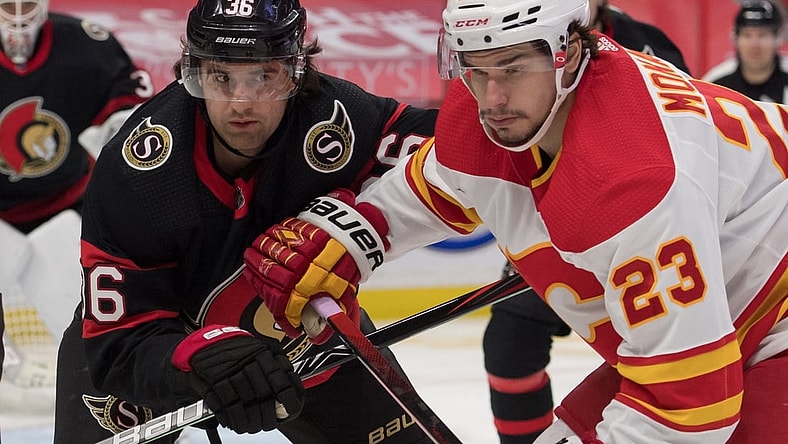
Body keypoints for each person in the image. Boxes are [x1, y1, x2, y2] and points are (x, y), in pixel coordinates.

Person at [245, 0, 788, 442]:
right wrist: (350, 234)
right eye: (475, 70)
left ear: (569, 53)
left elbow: (688, 413)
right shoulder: (483, 107)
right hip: (722, 315)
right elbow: (432, 188)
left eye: (512, 68)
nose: (492, 99)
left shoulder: (633, 176)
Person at [54, 0, 439, 442]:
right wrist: (199, 354)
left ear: (297, 72)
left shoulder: (339, 119)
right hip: (160, 348)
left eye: (264, 76)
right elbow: (118, 343)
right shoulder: (137, 170)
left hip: (306, 334)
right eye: (221, 76)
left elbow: (465, 154)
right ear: (191, 72)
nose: (241, 101)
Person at [484, 1, 691, 442]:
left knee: (671, 365)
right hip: (553, 228)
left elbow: (688, 149)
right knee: (509, 336)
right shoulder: (521, 38)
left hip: (644, 234)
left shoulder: (651, 47)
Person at [0, 0, 152, 402]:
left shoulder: (86, 44)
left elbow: (133, 109)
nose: (17, 15)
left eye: (25, 4)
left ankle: (119, 405)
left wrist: (119, 131)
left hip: (66, 206)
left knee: (88, 323)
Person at [703, 0, 788, 103]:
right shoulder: (714, 83)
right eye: (747, 35)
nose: (754, 44)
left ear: (778, 38)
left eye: (762, 35)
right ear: (735, 38)